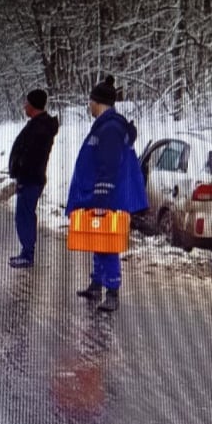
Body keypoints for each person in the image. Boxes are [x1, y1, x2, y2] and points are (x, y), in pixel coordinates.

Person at [66, 75, 148, 312]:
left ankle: (112, 291)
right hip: (102, 195)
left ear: (98, 102)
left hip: (106, 196)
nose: (89, 105)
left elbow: (108, 166)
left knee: (106, 244)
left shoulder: (110, 128)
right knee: (98, 239)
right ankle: (96, 284)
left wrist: (102, 197)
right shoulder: (107, 125)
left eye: (90, 101)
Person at [7, 89, 59, 268]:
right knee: (25, 215)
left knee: (25, 216)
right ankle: (26, 252)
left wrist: (21, 168)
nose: (24, 106)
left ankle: (27, 254)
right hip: (30, 178)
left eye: (27, 103)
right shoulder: (38, 124)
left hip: (30, 179)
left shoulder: (40, 128)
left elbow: (31, 155)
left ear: (34, 105)